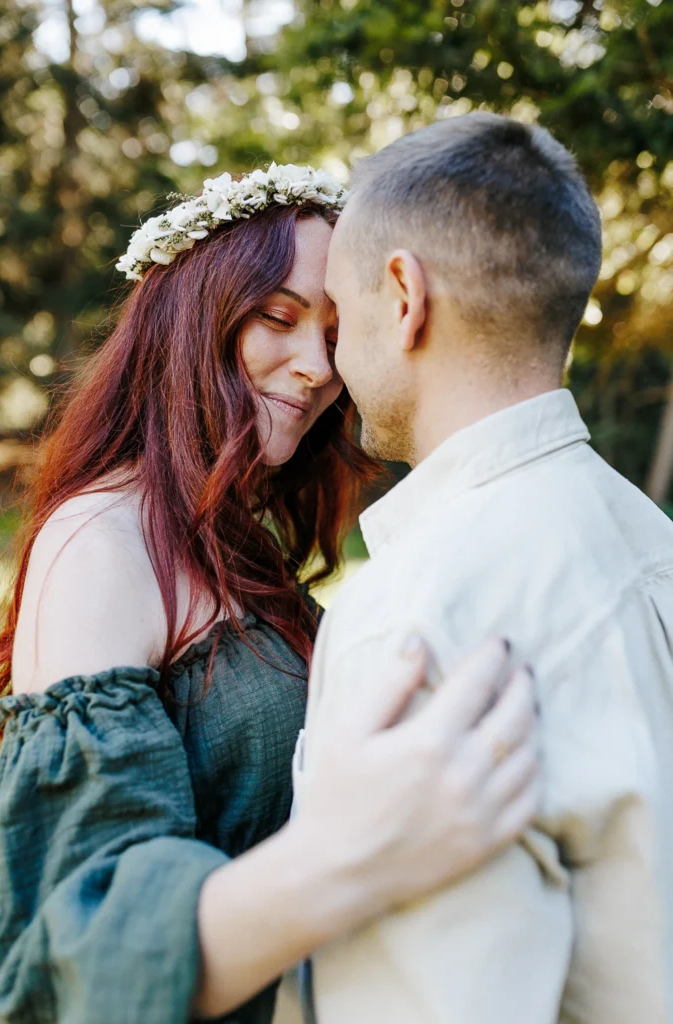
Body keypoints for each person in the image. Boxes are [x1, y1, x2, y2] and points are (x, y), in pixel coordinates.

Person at [0, 162, 540, 1024]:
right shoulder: (99, 540)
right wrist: (355, 851)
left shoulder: (234, 536)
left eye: (334, 331)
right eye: (277, 318)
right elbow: (84, 946)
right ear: (189, 319)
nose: (317, 368)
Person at [298, 111, 673, 1024]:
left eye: (339, 318)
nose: (330, 363)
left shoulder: (411, 618)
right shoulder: (648, 541)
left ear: (403, 297)